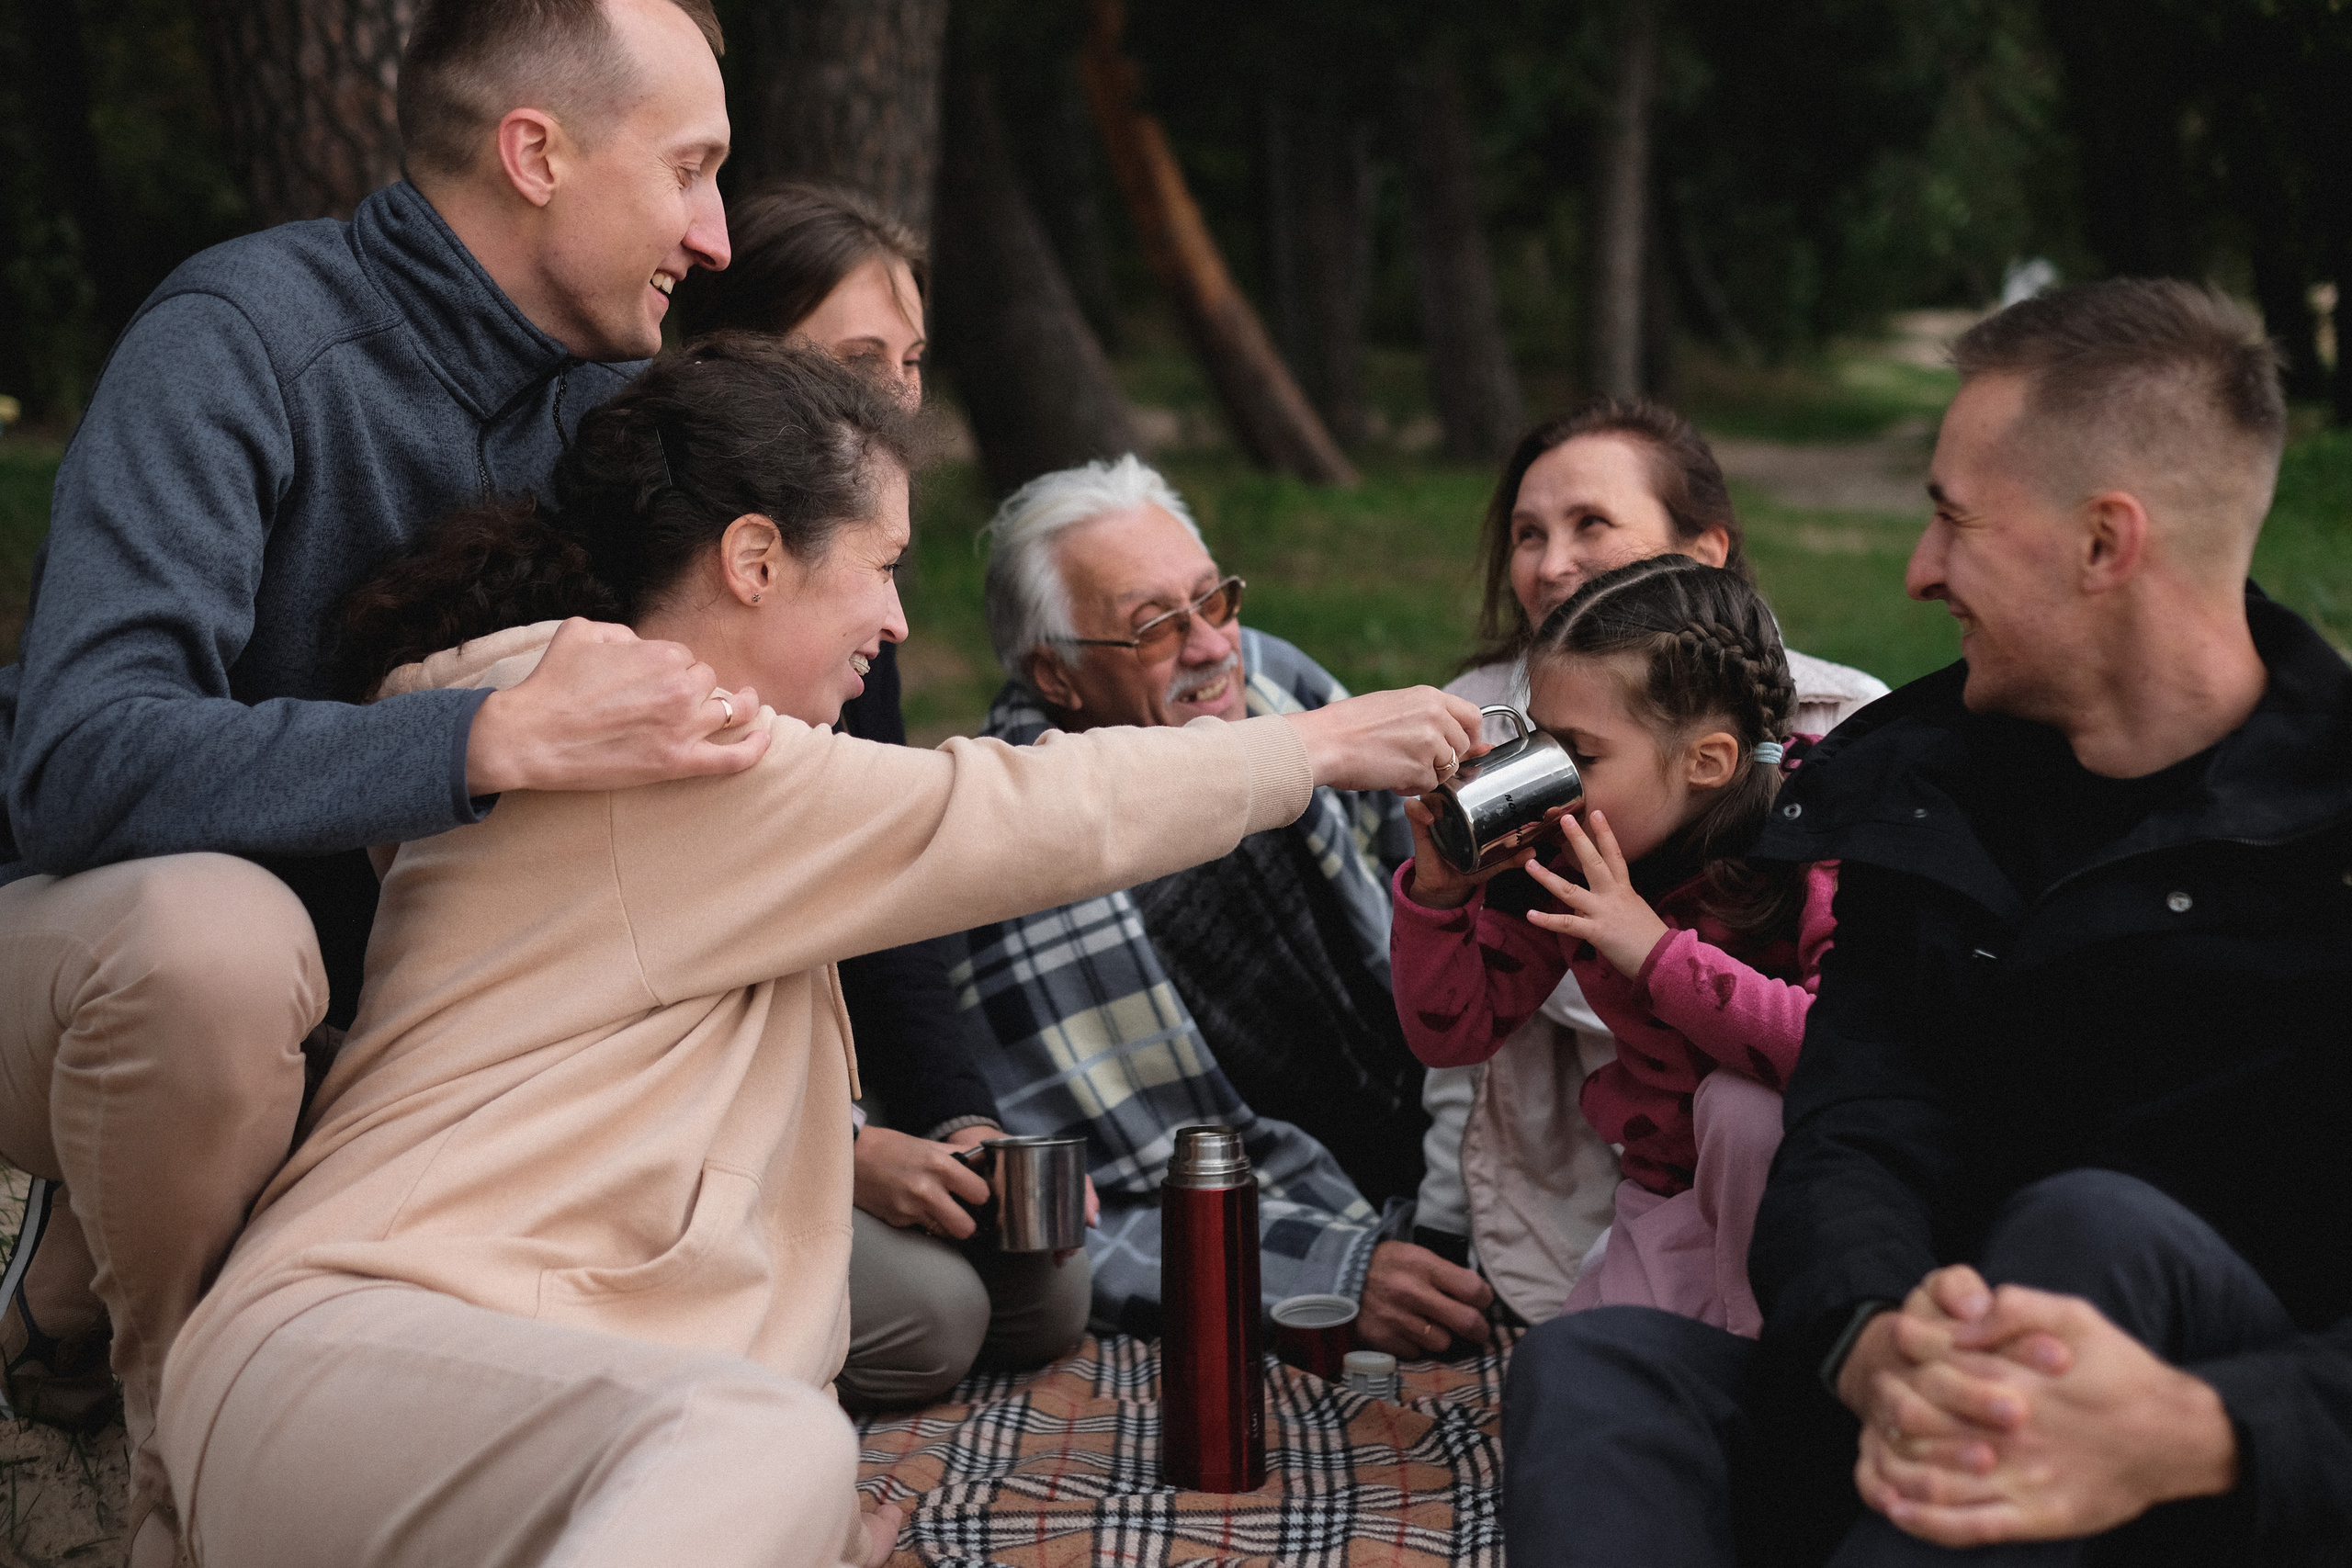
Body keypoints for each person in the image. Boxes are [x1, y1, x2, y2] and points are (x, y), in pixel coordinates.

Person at [159, 335, 1483, 1568]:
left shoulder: (640, 743)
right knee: (768, 1441)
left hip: (476, 1388)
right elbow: (1007, 811)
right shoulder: (669, 757)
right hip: (358, 1360)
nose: (902, 622)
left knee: (777, 1444)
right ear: (754, 558)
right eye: (883, 561)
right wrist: (1313, 743)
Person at [0, 0, 747, 1553]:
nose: (718, 234)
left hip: (417, 1033)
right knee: (211, 947)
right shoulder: (241, 340)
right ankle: (179, 1482)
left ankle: (91, 1276)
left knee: (879, 1306)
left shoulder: (620, 409)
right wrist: (476, 740)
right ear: (536, 153)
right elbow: (77, 759)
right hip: (96, 958)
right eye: (690, 171)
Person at [1503, 277, 2352, 1567]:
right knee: (1596, 1369)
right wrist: (1870, 1336)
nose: (1918, 571)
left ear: (2103, 543)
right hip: (1942, 1395)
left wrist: (2206, 1427)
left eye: (1954, 520)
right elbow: (1855, 1129)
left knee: (2091, 1229)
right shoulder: (1930, 790)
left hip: (2230, 1457)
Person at [674, 179, 1088, 1408]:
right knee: (933, 1320)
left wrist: (957, 1121)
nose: (899, 396)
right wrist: (850, 1154)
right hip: (682, 1131)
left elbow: (886, 887)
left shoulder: (856, 594)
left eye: (910, 361)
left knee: (1041, 1285)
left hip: (816, 1094)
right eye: (862, 361)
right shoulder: (671, 603)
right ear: (737, 361)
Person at [951, 454, 1494, 1360]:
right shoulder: (1007, 855)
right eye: (1154, 626)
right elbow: (1077, 1206)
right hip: (1286, 1210)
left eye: (1214, 600)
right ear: (1056, 676)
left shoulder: (1275, 683)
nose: (1210, 647)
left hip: (1431, 1131)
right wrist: (1317, 1271)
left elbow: (1442, 918)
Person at [1413, 399, 1889, 1331]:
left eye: (1591, 524)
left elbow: (1845, 1047)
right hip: (1645, 1190)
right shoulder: (1563, 810)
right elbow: (1452, 1037)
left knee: (1741, 1111)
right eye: (1527, 534)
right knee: (1587, 1382)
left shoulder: (1828, 787)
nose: (1551, 566)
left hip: (1804, 1188)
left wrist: (1649, 948)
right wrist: (1435, 895)